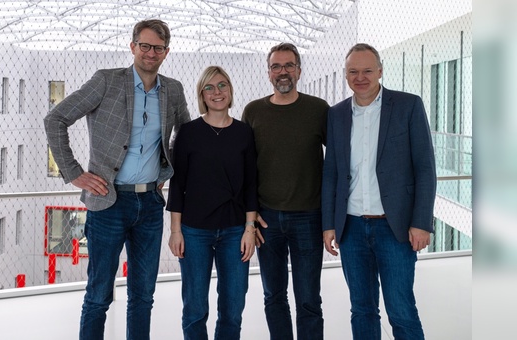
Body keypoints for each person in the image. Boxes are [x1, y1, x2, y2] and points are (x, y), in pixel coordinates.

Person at [43, 19, 191, 340]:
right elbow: (56, 119)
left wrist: (168, 169)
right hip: (108, 204)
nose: (151, 53)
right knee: (98, 296)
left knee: (143, 296)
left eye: (158, 48)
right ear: (132, 47)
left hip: (150, 205)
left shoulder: (173, 90)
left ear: (167, 52)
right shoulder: (106, 82)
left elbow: (186, 135)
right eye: (145, 46)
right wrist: (75, 173)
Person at [322, 43, 436, 340]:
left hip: (394, 227)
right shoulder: (336, 115)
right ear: (346, 75)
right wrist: (329, 224)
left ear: (380, 71)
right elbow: (332, 173)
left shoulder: (408, 105)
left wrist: (422, 222)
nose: (360, 77)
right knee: (362, 309)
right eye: (353, 71)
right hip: (351, 227)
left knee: (401, 310)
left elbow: (425, 167)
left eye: (367, 71)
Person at [241, 43, 329, 340]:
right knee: (274, 296)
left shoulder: (318, 109)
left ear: (299, 71)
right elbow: (246, 170)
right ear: (268, 73)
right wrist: (250, 220)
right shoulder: (253, 111)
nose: (283, 72)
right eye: (276, 66)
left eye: (289, 65)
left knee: (308, 300)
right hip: (268, 221)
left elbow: (340, 161)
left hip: (309, 217)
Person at [167, 66, 258, 340]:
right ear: (202, 95)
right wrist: (175, 231)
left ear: (230, 91)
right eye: (209, 87)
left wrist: (250, 229)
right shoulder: (188, 132)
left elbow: (252, 183)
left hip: (234, 231)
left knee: (233, 308)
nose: (216, 92)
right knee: (194, 308)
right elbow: (178, 183)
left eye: (222, 86)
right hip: (195, 231)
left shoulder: (244, 132)